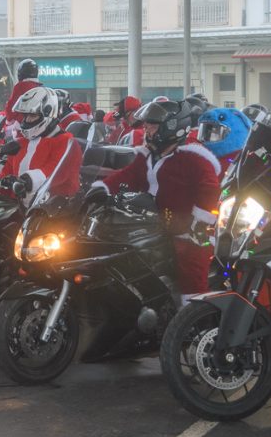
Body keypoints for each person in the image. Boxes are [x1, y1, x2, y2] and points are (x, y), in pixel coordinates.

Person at [88, 100, 221, 300]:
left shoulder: (193, 158)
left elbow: (210, 190)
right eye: (146, 124)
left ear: (172, 127)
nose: (146, 128)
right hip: (152, 226)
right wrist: (100, 189)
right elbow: (126, 176)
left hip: (188, 231)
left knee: (191, 270)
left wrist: (199, 221)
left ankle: (192, 313)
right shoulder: (148, 156)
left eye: (153, 125)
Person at [1, 86, 81, 202]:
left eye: (33, 115)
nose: (27, 120)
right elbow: (6, 173)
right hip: (20, 207)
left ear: (48, 114)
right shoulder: (21, 142)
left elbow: (56, 171)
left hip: (55, 207)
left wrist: (28, 180)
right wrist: (1, 181)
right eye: (25, 116)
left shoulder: (66, 141)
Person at [196, 107, 252, 177]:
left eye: (216, 132)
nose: (210, 137)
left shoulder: (245, 158)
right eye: (206, 132)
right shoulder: (202, 160)